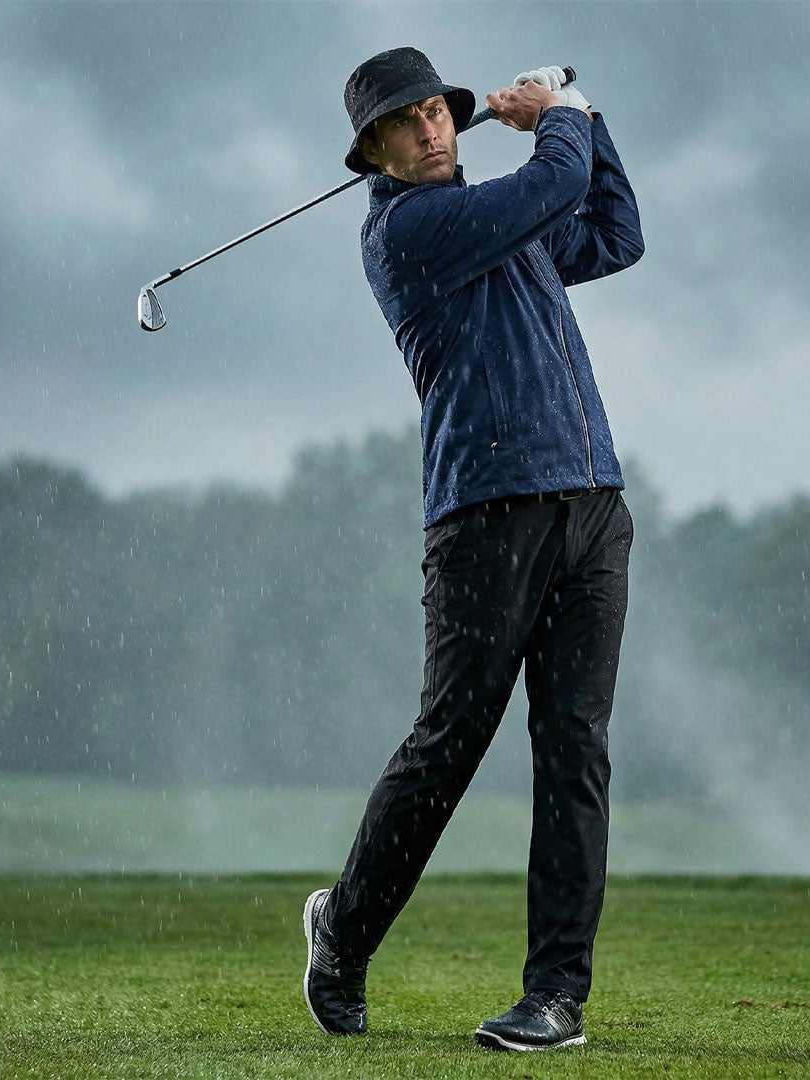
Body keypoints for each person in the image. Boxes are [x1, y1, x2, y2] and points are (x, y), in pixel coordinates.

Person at [301, 47, 644, 1053]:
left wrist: (587, 118)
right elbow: (554, 183)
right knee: (449, 744)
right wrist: (559, 114)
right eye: (404, 123)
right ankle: (342, 933)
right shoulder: (409, 233)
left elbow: (614, 233)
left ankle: (555, 999)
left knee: (575, 749)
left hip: (593, 506)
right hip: (485, 519)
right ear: (374, 152)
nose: (429, 129)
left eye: (438, 112)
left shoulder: (504, 220)